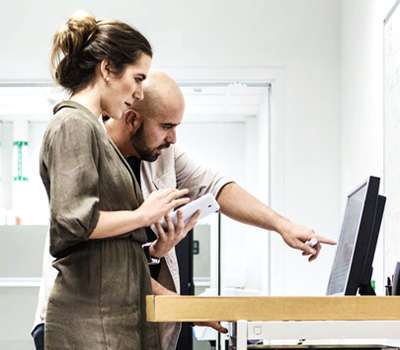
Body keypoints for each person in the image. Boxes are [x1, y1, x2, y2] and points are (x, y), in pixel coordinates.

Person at [35, 70, 336, 350]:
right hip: (77, 318)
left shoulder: (162, 157)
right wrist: (192, 308)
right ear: (131, 119)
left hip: (121, 315)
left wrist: (283, 226)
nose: (173, 138)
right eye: (166, 126)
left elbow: (217, 187)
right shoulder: (88, 148)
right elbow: (104, 261)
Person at [39, 12, 195, 350]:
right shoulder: (72, 125)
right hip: (90, 324)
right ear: (108, 69)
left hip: (113, 321)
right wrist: (144, 215)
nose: (139, 93)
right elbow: (74, 220)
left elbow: (103, 245)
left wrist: (154, 251)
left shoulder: (93, 130)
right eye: (137, 78)